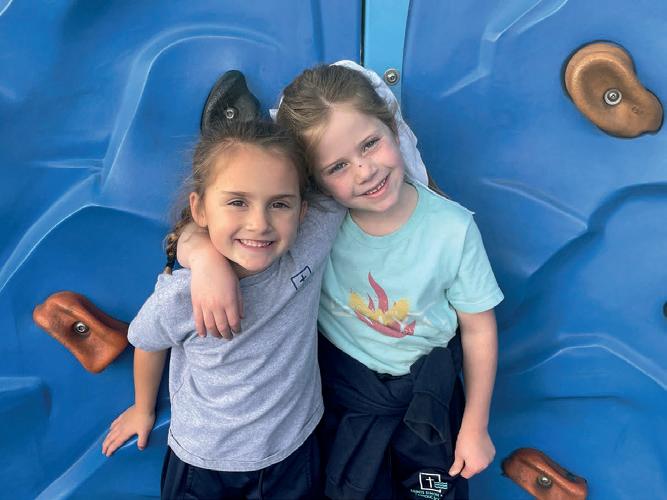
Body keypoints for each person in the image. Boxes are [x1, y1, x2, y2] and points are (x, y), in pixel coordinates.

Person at [180, 62, 503, 499]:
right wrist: (204, 260)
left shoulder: (453, 228)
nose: (364, 171)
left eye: (370, 144)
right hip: (342, 401)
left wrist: (475, 426)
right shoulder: (316, 223)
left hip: (426, 408)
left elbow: (479, 329)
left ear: (392, 127)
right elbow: (214, 225)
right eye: (337, 166)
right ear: (313, 181)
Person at [101, 119, 345, 499]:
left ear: (302, 212)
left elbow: (353, 166)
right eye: (237, 202)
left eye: (279, 204)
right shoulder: (180, 296)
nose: (259, 224)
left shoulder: (309, 241)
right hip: (205, 462)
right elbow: (147, 342)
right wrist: (142, 409)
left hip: (294, 449)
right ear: (199, 209)